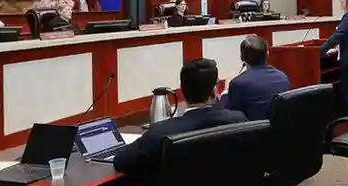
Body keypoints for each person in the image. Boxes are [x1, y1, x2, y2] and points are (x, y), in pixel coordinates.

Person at [114, 58, 246, 176]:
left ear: (182, 92)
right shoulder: (238, 121)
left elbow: (121, 161)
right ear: (214, 91)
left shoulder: (161, 132)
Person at [220, 35, 290, 120]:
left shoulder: (238, 83)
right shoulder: (283, 77)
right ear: (267, 54)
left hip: (254, 128)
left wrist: (226, 91)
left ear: (242, 57)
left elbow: (226, 115)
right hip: (280, 127)